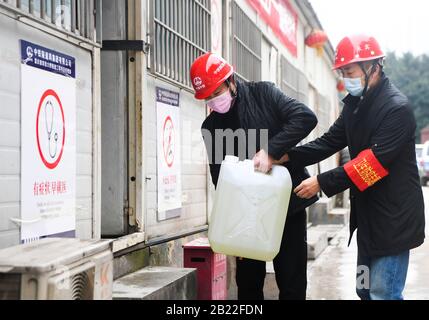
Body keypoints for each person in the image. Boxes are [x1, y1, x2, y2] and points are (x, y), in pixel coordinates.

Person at [286, 35, 425, 300]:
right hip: (369, 223)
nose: (345, 78)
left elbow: (370, 166)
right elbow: (329, 142)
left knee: (383, 294)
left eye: (349, 72)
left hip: (394, 223)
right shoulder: (354, 107)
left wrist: (321, 182)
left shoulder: (397, 109)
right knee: (364, 290)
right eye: (342, 73)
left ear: (373, 66)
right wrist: (287, 157)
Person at [190, 52, 318, 300]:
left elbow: (305, 118)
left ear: (231, 81)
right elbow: (219, 179)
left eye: (217, 93)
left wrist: (271, 151)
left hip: (286, 206)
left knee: (291, 281)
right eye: (208, 98)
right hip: (245, 216)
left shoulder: (265, 95)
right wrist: (227, 223)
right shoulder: (211, 128)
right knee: (248, 285)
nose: (214, 101)